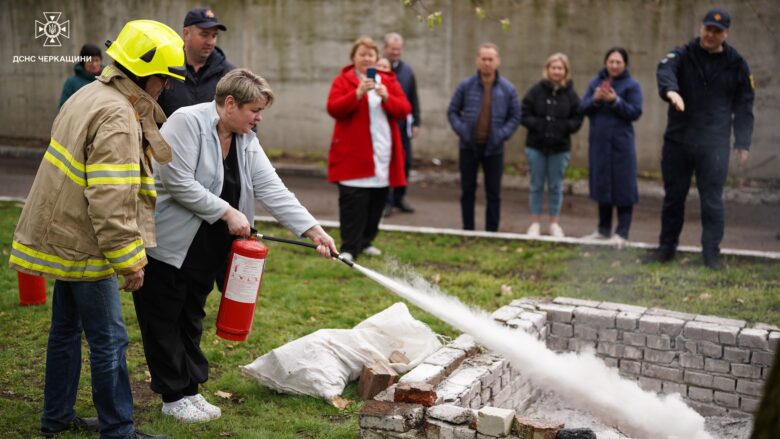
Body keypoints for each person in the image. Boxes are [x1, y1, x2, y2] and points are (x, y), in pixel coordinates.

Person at [10, 20, 185, 439]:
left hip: (67, 232)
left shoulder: (91, 93)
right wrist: (129, 260)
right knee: (110, 340)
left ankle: (56, 418)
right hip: (88, 242)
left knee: (65, 331)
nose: (165, 87)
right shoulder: (119, 116)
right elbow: (111, 200)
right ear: (144, 73)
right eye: (164, 78)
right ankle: (118, 430)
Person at [133, 69, 338, 423]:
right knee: (164, 321)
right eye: (254, 110)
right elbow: (177, 181)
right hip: (169, 244)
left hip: (208, 249)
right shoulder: (186, 122)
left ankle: (190, 390)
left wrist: (313, 230)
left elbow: (272, 187)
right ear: (230, 104)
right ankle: (172, 396)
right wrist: (226, 211)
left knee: (191, 318)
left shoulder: (245, 138)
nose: (259, 118)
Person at [647, 8, 754, 270]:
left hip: (714, 145)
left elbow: (744, 105)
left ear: (726, 33)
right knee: (674, 197)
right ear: (700, 28)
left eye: (717, 31)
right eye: (707, 29)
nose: (710, 35)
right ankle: (666, 248)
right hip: (678, 142)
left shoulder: (736, 64)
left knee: (712, 200)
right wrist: (671, 91)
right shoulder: (683, 54)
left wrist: (742, 142)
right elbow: (665, 69)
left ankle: (711, 253)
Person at [326, 36, 411, 261]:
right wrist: (357, 93)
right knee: (353, 204)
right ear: (353, 57)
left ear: (376, 58)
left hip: (382, 154)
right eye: (362, 54)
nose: (366, 58)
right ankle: (349, 247)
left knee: (376, 203)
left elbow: (404, 109)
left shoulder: (388, 80)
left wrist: (387, 96)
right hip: (352, 157)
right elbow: (334, 108)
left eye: (370, 55)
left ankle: (366, 242)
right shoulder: (343, 80)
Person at [447, 43, 522, 232]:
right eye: (484, 59)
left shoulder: (508, 89)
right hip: (468, 146)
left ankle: (492, 232)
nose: (487, 63)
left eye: (491, 59)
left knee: (493, 193)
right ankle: (468, 229)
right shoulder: (466, 85)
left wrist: (502, 134)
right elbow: (453, 111)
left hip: (494, 148)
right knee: (467, 190)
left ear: (497, 61)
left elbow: (515, 116)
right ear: (477, 61)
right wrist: (463, 130)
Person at [580, 47, 643, 247]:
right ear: (605, 63)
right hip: (599, 145)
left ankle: (622, 232)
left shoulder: (632, 86)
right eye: (611, 62)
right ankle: (603, 229)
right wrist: (596, 100)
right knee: (602, 186)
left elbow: (635, 112)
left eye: (618, 62)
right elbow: (582, 108)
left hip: (621, 145)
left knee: (623, 187)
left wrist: (616, 101)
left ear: (625, 64)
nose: (614, 66)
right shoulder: (595, 83)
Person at [520, 53, 583, 238]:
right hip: (536, 147)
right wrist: (538, 125)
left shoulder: (571, 95)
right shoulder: (536, 91)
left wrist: (564, 128)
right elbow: (524, 113)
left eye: (560, 68)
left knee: (556, 186)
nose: (557, 71)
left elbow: (577, 117)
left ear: (565, 71)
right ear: (547, 69)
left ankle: (554, 223)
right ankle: (535, 223)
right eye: (553, 68)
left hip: (560, 149)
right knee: (536, 185)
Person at [157, 7, 234, 117]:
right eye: (204, 34)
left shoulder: (229, 75)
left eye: (214, 35)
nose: (210, 42)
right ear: (186, 33)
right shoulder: (166, 70)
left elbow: (242, 116)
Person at [382, 32, 420, 217]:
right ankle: (386, 202)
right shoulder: (378, 70)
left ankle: (399, 197)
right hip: (384, 127)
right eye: (392, 49)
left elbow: (413, 98)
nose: (395, 52)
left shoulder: (407, 71)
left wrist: (416, 122)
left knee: (405, 163)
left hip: (403, 126)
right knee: (387, 164)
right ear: (385, 49)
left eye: (398, 49)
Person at [59, 43, 103, 108]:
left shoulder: (107, 80)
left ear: (101, 61)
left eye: (97, 60)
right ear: (83, 62)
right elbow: (63, 107)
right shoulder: (71, 82)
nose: (94, 64)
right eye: (90, 61)